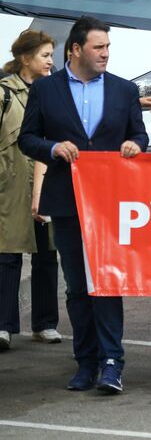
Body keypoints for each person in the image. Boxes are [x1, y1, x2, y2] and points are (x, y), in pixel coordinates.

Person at [18, 17, 144, 393]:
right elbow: (27, 139)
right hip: (67, 201)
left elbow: (137, 133)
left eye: (107, 47)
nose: (105, 54)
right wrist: (53, 148)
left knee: (106, 282)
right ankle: (85, 361)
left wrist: (135, 145)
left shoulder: (124, 90)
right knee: (77, 287)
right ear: (75, 50)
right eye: (98, 47)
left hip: (111, 202)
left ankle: (111, 362)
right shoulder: (47, 90)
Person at [0, 30, 60, 351]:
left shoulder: (53, 92)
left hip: (45, 182)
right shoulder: (4, 93)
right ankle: (4, 326)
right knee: (8, 254)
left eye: (52, 54)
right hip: (9, 186)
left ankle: (45, 323)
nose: (51, 60)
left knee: (47, 254)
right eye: (45, 55)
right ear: (26, 58)